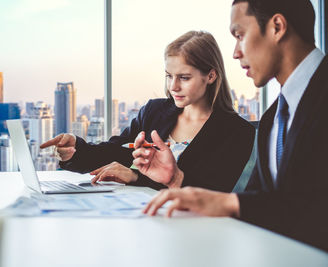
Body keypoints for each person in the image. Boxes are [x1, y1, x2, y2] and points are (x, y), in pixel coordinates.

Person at [135, 0, 328, 251]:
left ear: (277, 27)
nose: (235, 52)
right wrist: (175, 179)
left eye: (240, 35)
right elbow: (269, 205)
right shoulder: (273, 119)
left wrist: (233, 203)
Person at [40, 31, 255, 192]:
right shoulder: (155, 111)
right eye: (169, 76)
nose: (173, 87)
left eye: (184, 77)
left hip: (194, 228)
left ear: (210, 76)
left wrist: (135, 177)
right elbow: (115, 153)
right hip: (142, 218)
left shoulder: (236, 132)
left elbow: (210, 193)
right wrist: (77, 149)